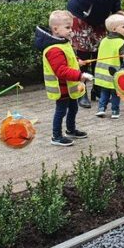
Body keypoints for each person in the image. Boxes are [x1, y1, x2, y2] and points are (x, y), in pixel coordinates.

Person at [34, 10, 93, 147]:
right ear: (55, 29)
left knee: (73, 109)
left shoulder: (63, 43)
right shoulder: (54, 49)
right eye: (67, 27)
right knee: (61, 112)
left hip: (70, 88)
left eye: (70, 27)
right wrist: (81, 75)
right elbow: (60, 70)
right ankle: (56, 136)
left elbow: (68, 59)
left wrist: (77, 61)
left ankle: (71, 130)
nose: (70, 30)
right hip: (61, 88)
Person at [95, 14, 124, 119]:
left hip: (102, 74)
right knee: (116, 93)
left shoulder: (103, 40)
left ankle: (101, 109)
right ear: (114, 29)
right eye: (123, 27)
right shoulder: (122, 42)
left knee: (104, 92)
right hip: (115, 73)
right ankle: (115, 111)